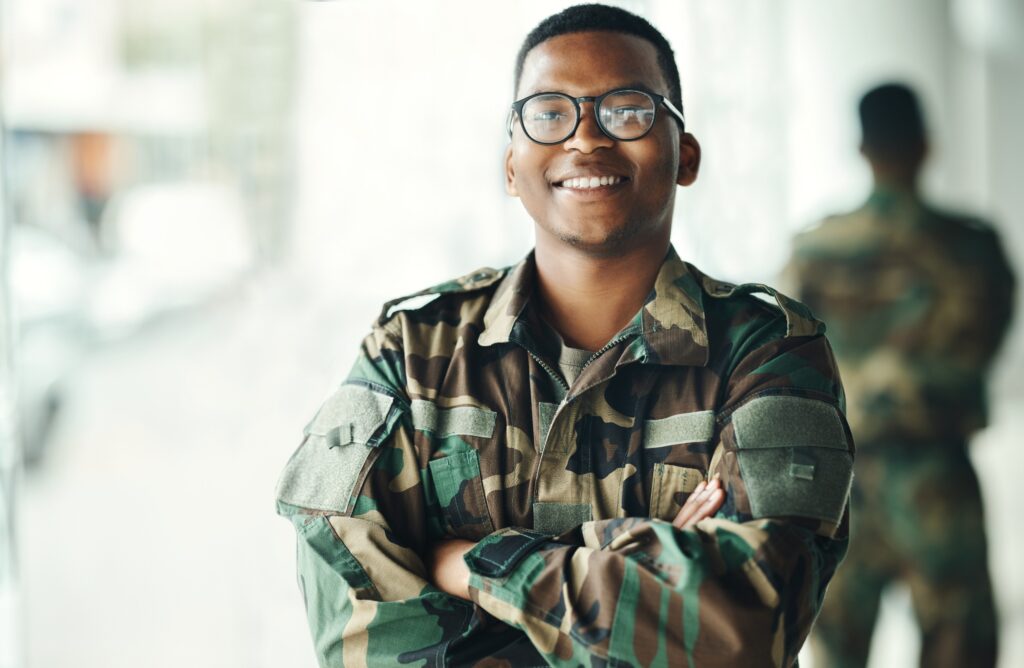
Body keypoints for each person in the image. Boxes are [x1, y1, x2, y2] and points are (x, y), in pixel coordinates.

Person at [277, 5, 854, 666]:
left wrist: (474, 565)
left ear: (684, 155)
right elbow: (354, 627)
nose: (587, 138)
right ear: (511, 166)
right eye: (549, 113)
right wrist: (640, 582)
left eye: (628, 109)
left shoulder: (769, 351)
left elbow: (738, 627)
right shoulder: (412, 350)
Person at [783, 83, 1015, 668]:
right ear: (925, 145)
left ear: (862, 148)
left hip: (839, 484)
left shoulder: (815, 250)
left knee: (834, 648)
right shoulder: (973, 250)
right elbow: (983, 346)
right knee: (959, 645)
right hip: (937, 476)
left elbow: (785, 361)